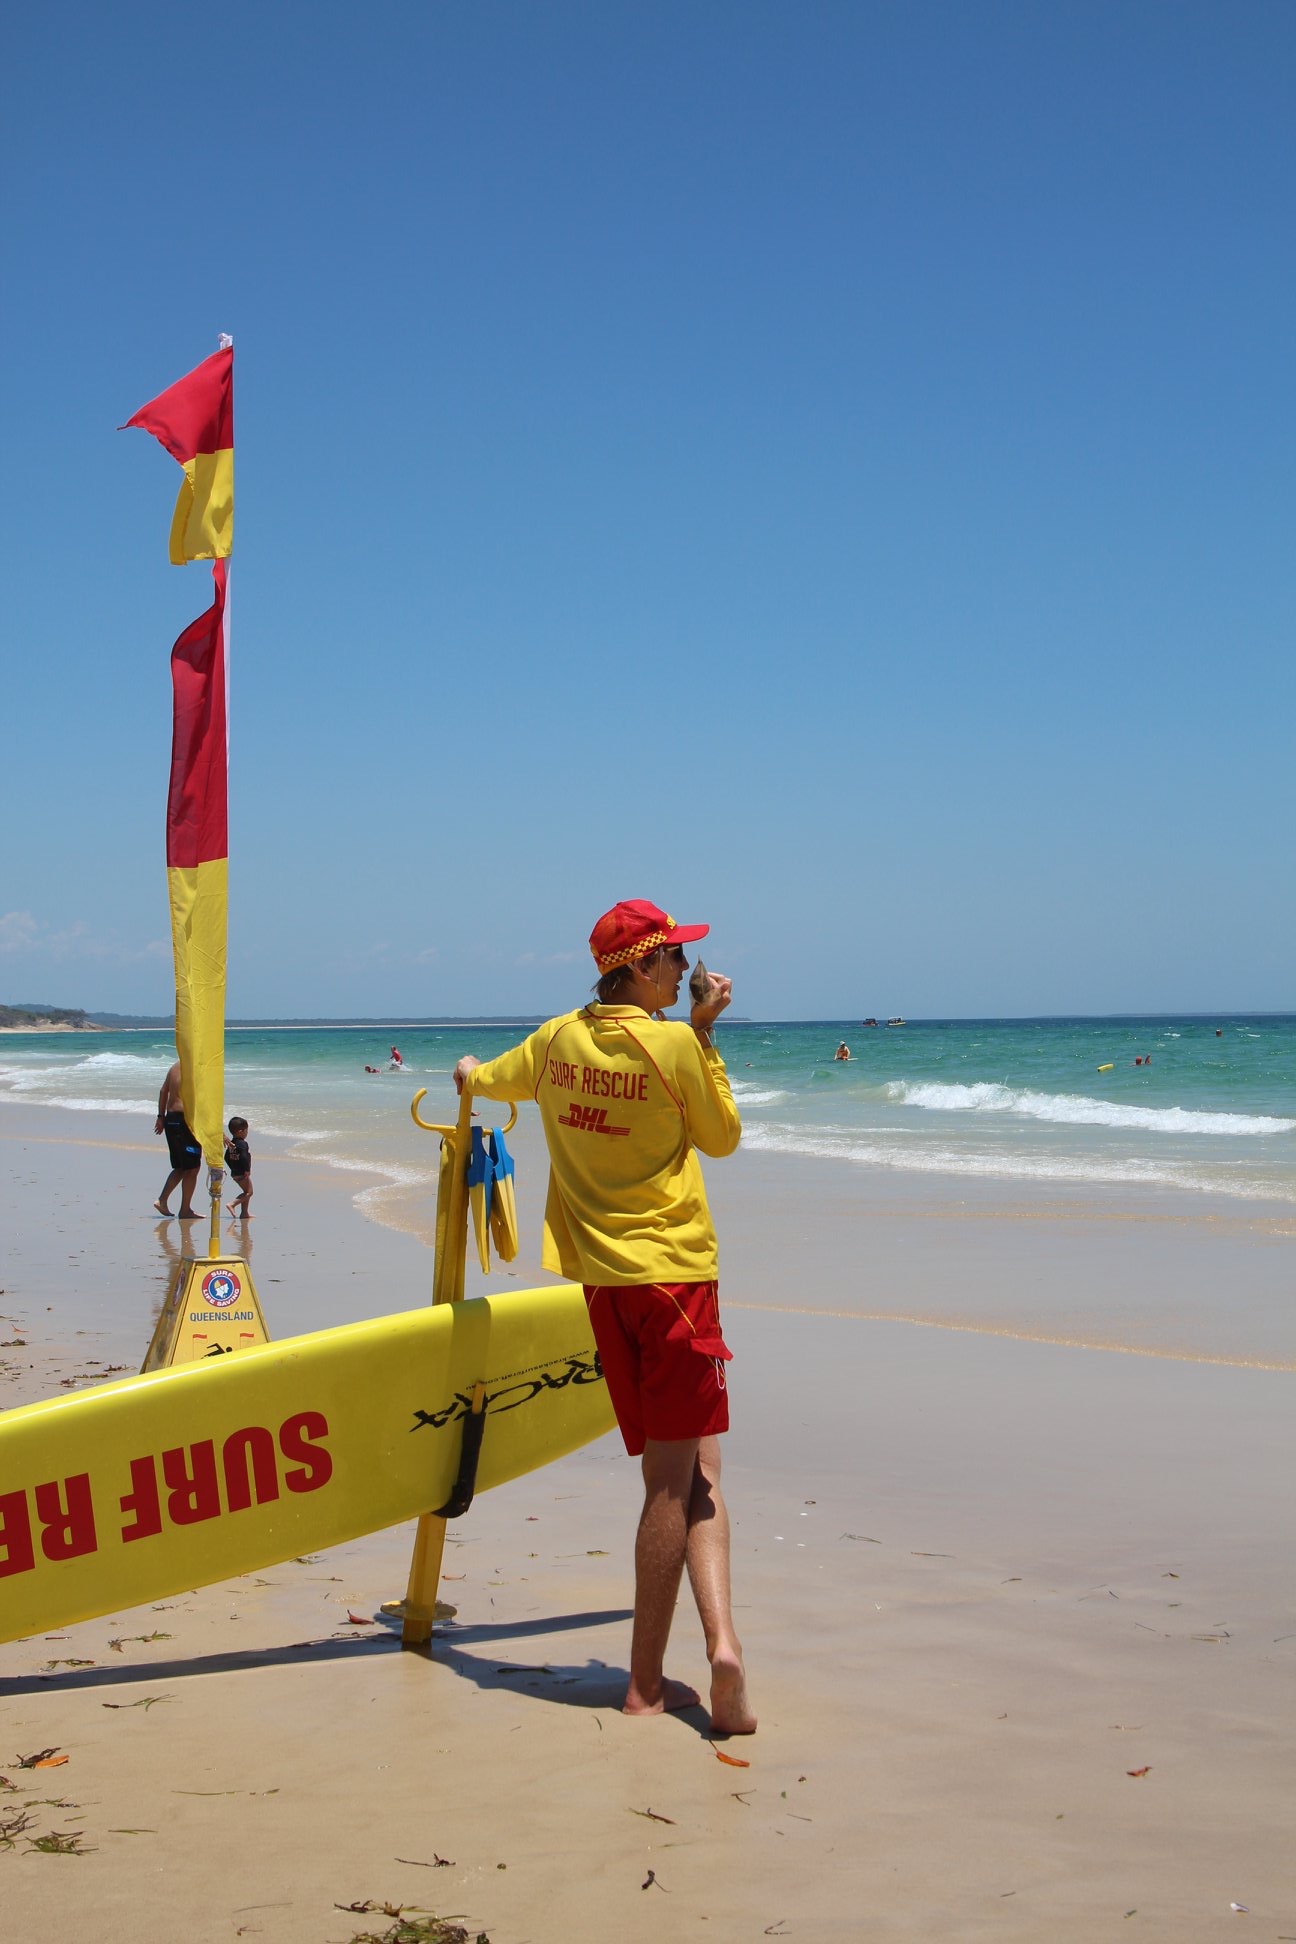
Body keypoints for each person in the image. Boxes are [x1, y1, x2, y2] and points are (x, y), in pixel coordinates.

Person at [453, 898, 755, 1736]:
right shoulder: (672, 1045)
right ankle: (649, 1684)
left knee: (698, 1468)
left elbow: (485, 1078)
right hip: (676, 1284)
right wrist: (705, 1035)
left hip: (604, 1287)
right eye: (674, 962)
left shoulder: (555, 1040)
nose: (684, 973)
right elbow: (722, 1138)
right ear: (641, 968)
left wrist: (470, 1071)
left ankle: (722, 1640)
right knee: (674, 1482)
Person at [154, 1059, 201, 1218]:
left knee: (181, 1167)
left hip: (171, 1119)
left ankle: (163, 1200)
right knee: (192, 1168)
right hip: (184, 1122)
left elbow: (163, 1091)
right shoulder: (196, 1065)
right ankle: (184, 1209)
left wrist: (161, 1117)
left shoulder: (176, 1065)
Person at [224, 1116, 253, 1218]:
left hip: (235, 1172)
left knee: (246, 1192)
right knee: (249, 1192)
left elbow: (226, 1157)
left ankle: (244, 1213)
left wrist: (232, 1167)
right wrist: (247, 1170)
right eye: (246, 1130)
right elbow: (244, 1157)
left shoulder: (231, 1144)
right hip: (242, 1172)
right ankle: (232, 1204)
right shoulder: (243, 1144)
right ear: (241, 1131)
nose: (247, 1133)